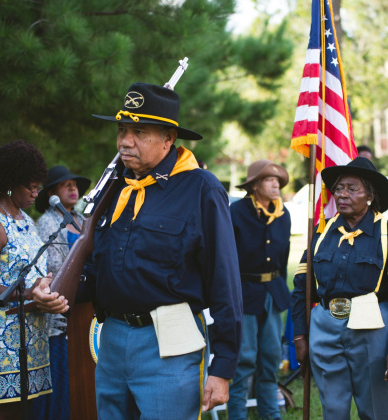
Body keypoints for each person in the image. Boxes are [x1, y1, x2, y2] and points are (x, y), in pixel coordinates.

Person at [35, 82, 243, 419]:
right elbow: (99, 266)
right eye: (122, 130)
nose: (124, 141)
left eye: (139, 132)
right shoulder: (114, 188)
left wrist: (223, 367)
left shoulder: (201, 188)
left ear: (168, 139)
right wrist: (59, 290)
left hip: (169, 345)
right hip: (111, 339)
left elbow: (225, 280)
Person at [291, 157, 388, 420]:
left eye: (351, 188)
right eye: (338, 189)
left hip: (371, 331)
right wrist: (301, 336)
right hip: (325, 328)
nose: (342, 194)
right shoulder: (321, 232)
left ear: (370, 196)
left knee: (374, 408)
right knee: (333, 409)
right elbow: (302, 289)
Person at [0, 140, 68, 420]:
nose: (36, 192)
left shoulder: (25, 219)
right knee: (5, 410)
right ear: (11, 184)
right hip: (2, 330)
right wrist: (27, 294)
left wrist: (44, 286)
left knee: (26, 406)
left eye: (39, 185)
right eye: (31, 187)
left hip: (30, 329)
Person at [228, 160, 291, 420]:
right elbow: (227, 259)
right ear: (254, 185)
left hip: (273, 294)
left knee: (270, 360)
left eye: (278, 180)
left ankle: (270, 415)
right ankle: (237, 416)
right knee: (243, 362)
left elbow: (284, 257)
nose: (276, 184)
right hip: (244, 293)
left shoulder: (283, 214)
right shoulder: (236, 212)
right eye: (269, 180)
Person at [31, 165, 91, 420]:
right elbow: (53, 267)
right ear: (51, 193)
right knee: (61, 382)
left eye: (75, 184)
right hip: (59, 319)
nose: (72, 188)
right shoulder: (46, 223)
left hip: (87, 314)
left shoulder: (82, 220)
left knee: (84, 384)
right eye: (65, 184)